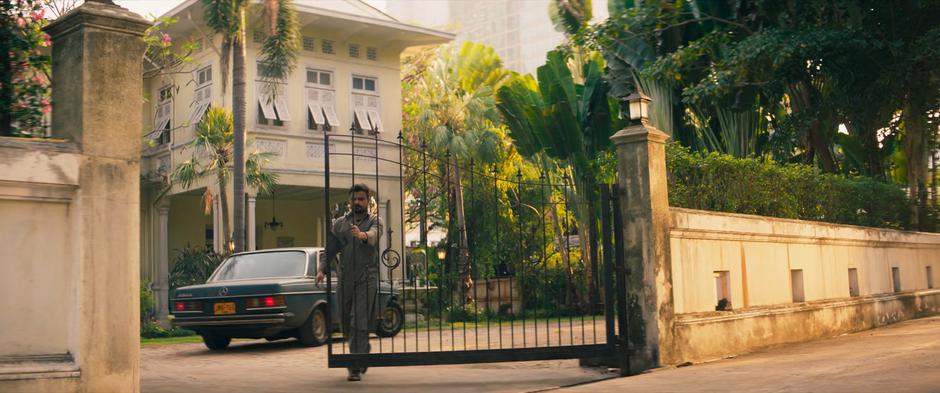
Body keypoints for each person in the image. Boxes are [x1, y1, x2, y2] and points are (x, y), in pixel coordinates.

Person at [317, 184, 383, 382]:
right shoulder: (340, 223)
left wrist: (363, 235)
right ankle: (362, 351)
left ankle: (354, 365)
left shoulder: (374, 220)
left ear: (367, 200)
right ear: (349, 201)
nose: (357, 202)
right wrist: (321, 269)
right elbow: (330, 248)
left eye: (361, 199)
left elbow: (374, 235)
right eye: (354, 199)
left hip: (366, 277)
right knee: (346, 322)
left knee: (358, 321)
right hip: (345, 278)